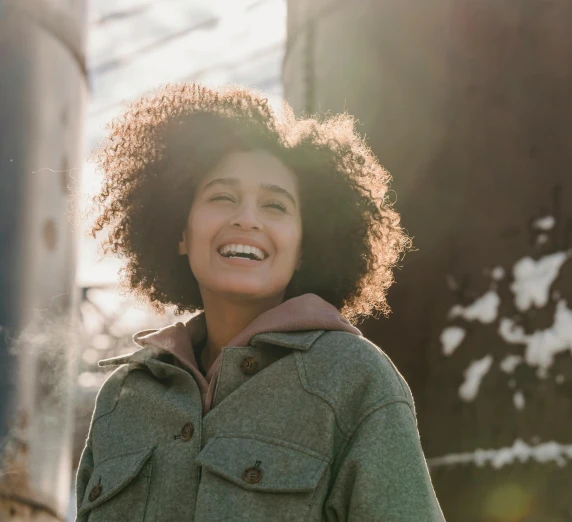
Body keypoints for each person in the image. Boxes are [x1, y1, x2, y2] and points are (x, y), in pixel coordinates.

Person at [74, 82, 446, 521]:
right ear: (180, 231)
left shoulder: (355, 379)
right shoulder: (124, 395)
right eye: (222, 197)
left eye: (275, 206)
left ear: (306, 247)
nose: (246, 219)